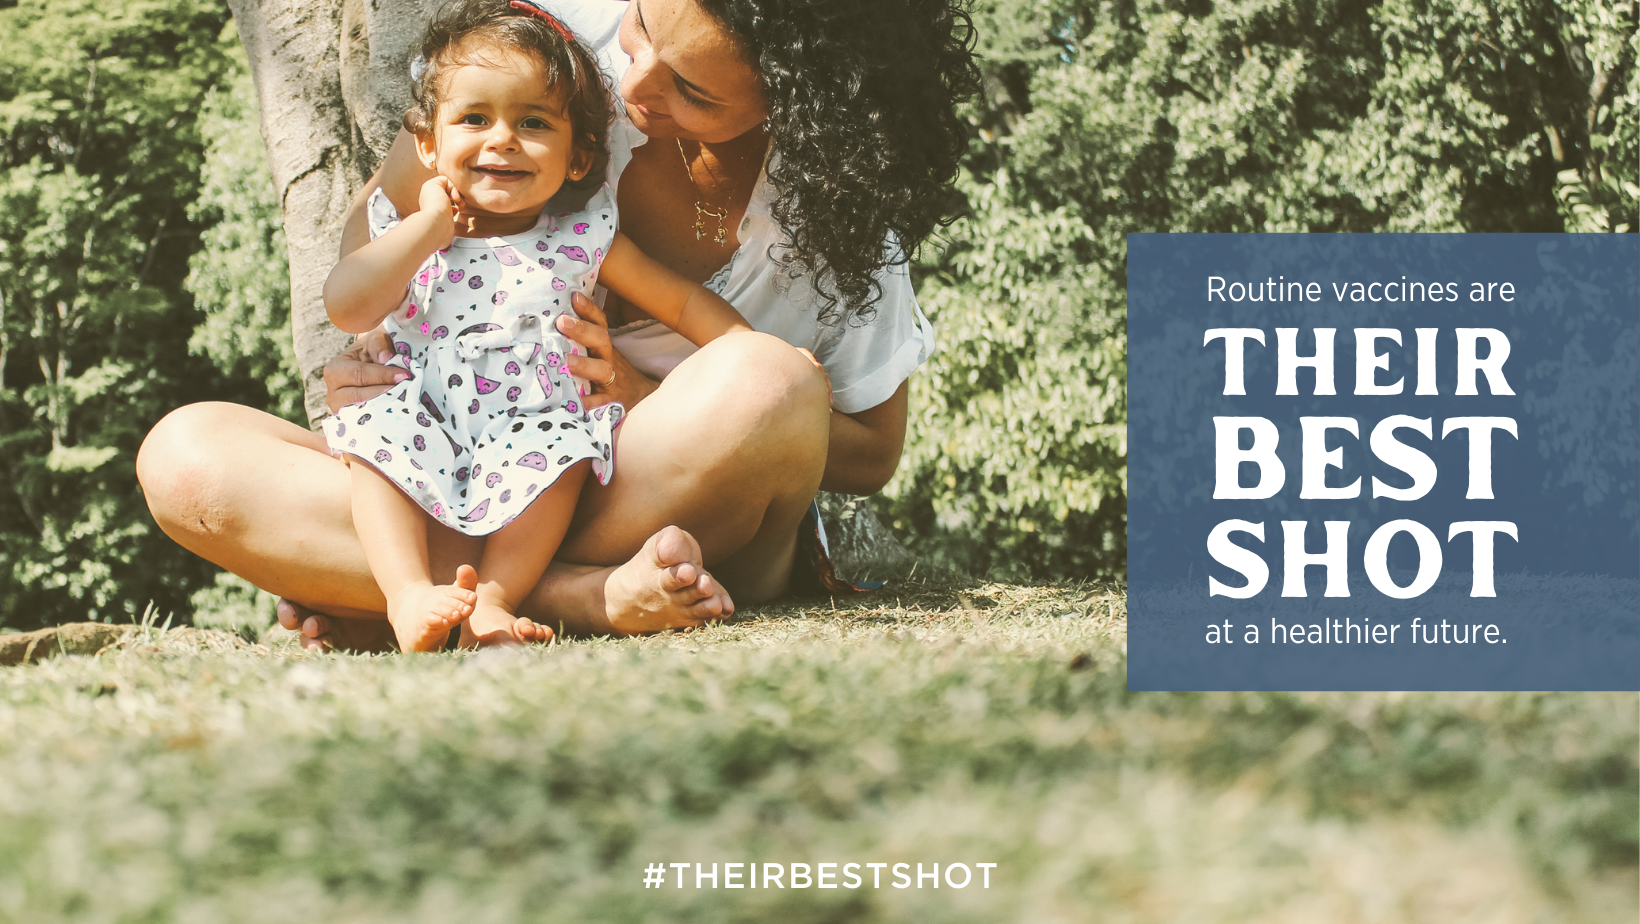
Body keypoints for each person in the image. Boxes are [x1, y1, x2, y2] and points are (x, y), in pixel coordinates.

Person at [136, 0, 979, 650]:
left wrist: (646, 390)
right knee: (186, 457)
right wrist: (375, 329)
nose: (634, 85)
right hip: (453, 455)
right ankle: (571, 597)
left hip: (646, 490)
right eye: (644, 29)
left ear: (801, 101)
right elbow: (382, 206)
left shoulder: (845, 219)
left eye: (691, 90)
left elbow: (870, 452)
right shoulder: (549, 59)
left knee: (769, 378)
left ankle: (417, 589)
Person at [324, 0, 752, 650]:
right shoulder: (410, 234)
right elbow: (348, 305)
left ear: (578, 157)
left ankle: (494, 600)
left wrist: (747, 352)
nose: (502, 139)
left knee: (565, 449)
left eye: (532, 123)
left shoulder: (582, 240)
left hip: (531, 428)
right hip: (423, 415)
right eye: (474, 118)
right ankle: (408, 594)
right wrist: (429, 227)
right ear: (429, 144)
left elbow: (687, 304)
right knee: (374, 439)